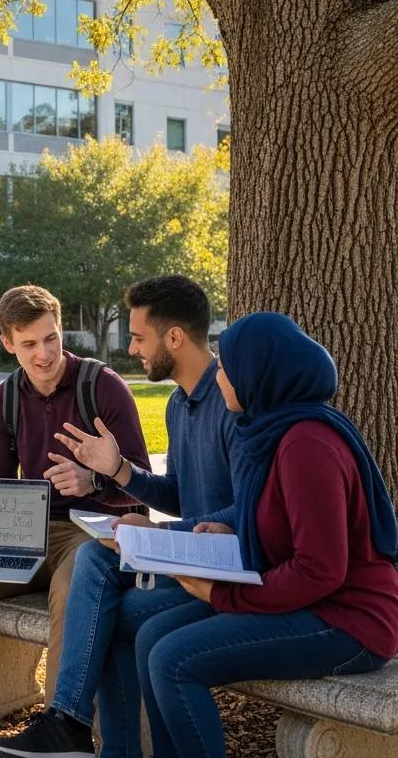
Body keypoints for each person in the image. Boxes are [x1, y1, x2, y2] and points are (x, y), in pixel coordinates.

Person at [0, 274, 237, 758]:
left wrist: (153, 522)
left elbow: (247, 512)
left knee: (109, 611)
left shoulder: (231, 404)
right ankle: (77, 731)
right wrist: (117, 470)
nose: (132, 348)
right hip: (189, 555)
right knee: (98, 561)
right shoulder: (178, 405)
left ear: (174, 338)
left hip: (219, 565)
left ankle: (73, 727)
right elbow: (179, 495)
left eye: (139, 337)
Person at [131, 313, 398, 758]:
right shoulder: (273, 430)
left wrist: (223, 595)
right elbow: (288, 527)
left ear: (260, 374)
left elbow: (320, 570)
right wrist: (235, 528)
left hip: (349, 622)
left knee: (172, 660)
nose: (219, 378)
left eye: (228, 369)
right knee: (149, 637)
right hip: (309, 602)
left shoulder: (306, 444)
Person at [0, 284, 150, 758]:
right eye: (29, 344)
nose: (44, 353)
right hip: (28, 533)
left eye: (51, 338)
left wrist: (94, 480)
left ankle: (57, 730)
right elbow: (0, 487)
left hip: (99, 531)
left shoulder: (102, 385)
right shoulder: (2, 401)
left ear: (60, 329)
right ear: (7, 343)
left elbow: (144, 485)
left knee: (73, 587)